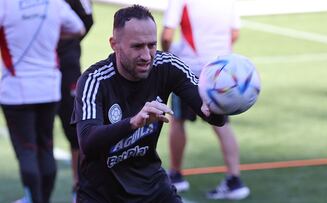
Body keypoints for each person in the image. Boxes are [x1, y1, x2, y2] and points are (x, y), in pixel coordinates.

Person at [70, 4, 225, 203]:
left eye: (152, 45)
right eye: (137, 46)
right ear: (114, 44)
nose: (146, 56)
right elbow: (87, 141)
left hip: (153, 189)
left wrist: (219, 104)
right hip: (102, 196)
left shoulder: (168, 66)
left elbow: (215, 117)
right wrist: (133, 123)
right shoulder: (94, 80)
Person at [161, 0, 250, 200]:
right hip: (221, 70)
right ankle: (234, 179)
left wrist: (167, 55)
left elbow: (167, 35)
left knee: (178, 120)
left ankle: (175, 175)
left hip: (190, 69)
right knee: (222, 123)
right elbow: (234, 32)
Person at [0, 0, 85, 202]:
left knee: (27, 150)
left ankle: (36, 199)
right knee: (46, 147)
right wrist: (54, 34)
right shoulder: (54, 3)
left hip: (16, 90)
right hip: (48, 87)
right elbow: (78, 27)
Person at [56, 0, 93, 201]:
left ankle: (79, 187)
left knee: (76, 128)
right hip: (37, 69)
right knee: (36, 130)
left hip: (67, 64)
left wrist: (65, 40)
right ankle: (34, 193)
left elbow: (87, 19)